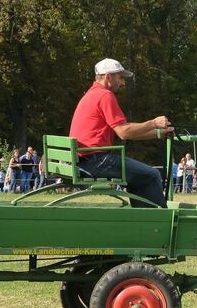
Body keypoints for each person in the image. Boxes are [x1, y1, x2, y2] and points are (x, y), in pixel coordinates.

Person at [68, 57, 173, 208]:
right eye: (120, 77)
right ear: (108, 77)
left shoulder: (91, 94)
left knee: (140, 176)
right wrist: (154, 123)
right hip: (96, 161)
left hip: (84, 160)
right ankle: (158, 219)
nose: (123, 83)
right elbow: (124, 132)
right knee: (151, 175)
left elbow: (124, 132)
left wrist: (157, 133)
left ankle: (146, 218)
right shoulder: (105, 95)